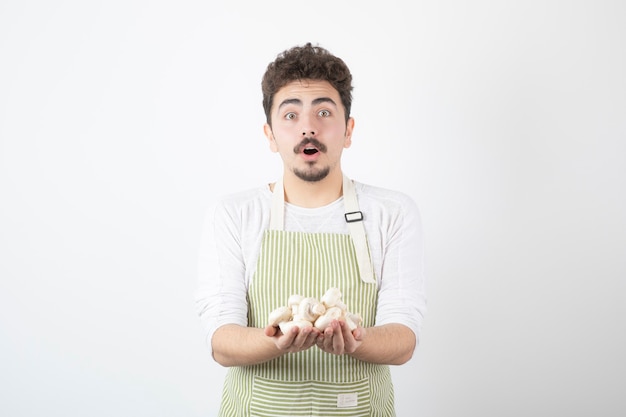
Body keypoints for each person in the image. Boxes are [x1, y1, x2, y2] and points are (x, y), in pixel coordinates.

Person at [195, 42, 426, 417]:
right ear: (270, 134)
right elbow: (222, 342)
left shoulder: (392, 212)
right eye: (290, 115)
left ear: (348, 130)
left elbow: (402, 341)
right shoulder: (234, 214)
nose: (308, 127)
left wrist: (355, 340)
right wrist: (279, 341)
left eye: (324, 112)